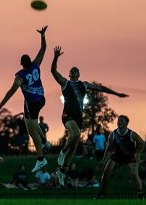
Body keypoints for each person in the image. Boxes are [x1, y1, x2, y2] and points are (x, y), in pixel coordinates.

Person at [50, 46, 129, 182]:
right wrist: (56, 57)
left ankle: (62, 171)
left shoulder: (84, 85)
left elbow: (101, 88)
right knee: (74, 134)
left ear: (79, 74)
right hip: (67, 115)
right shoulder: (65, 83)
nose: (74, 72)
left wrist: (116, 94)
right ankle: (62, 152)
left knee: (74, 145)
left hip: (79, 117)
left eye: (77, 71)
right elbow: (53, 71)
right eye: (72, 71)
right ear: (69, 74)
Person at [0, 25, 49, 172]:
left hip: (32, 103)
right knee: (31, 124)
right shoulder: (36, 64)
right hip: (41, 99)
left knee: (31, 131)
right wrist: (43, 36)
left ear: (21, 64)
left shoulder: (20, 76)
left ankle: (41, 158)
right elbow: (43, 49)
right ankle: (44, 140)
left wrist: (0, 105)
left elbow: (11, 91)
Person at [96, 115, 145, 199]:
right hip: (117, 156)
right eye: (118, 120)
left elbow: (142, 143)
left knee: (134, 174)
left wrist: (137, 155)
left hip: (129, 157)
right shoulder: (112, 135)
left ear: (126, 123)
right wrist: (103, 161)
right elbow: (108, 150)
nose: (119, 122)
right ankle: (102, 193)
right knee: (106, 172)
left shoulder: (132, 134)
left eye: (122, 120)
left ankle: (140, 194)